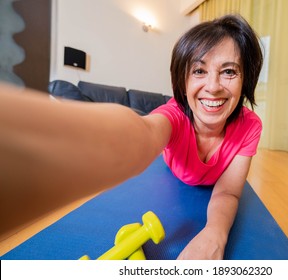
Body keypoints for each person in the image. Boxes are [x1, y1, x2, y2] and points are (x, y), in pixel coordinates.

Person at [0, 14, 263, 259]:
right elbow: (142, 133)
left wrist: (215, 234)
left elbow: (228, 192)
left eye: (229, 71)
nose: (214, 86)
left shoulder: (250, 126)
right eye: (199, 71)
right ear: (182, 81)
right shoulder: (172, 116)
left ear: (245, 80)